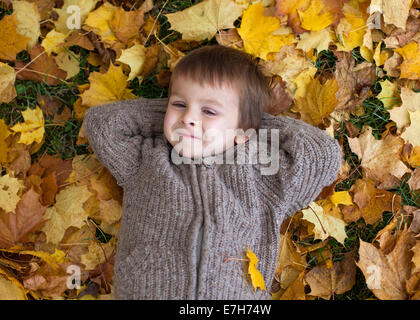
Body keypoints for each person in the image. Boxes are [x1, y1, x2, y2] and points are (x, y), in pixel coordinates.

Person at [83, 44, 343, 299]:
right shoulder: (146, 159)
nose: (188, 118)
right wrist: (172, 117)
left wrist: (252, 121)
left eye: (208, 110)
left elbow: (321, 155)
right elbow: (102, 124)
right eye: (179, 104)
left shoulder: (261, 172)